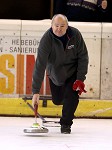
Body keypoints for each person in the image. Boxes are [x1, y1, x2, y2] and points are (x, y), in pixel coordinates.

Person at [32, 14, 89, 134]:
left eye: (62, 26)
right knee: (57, 100)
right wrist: (35, 92)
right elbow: (40, 65)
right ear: (51, 26)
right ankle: (68, 101)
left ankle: (66, 124)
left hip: (73, 72)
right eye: (56, 25)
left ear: (67, 26)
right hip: (55, 74)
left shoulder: (75, 35)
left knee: (71, 96)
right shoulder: (46, 40)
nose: (59, 28)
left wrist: (80, 79)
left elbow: (83, 57)